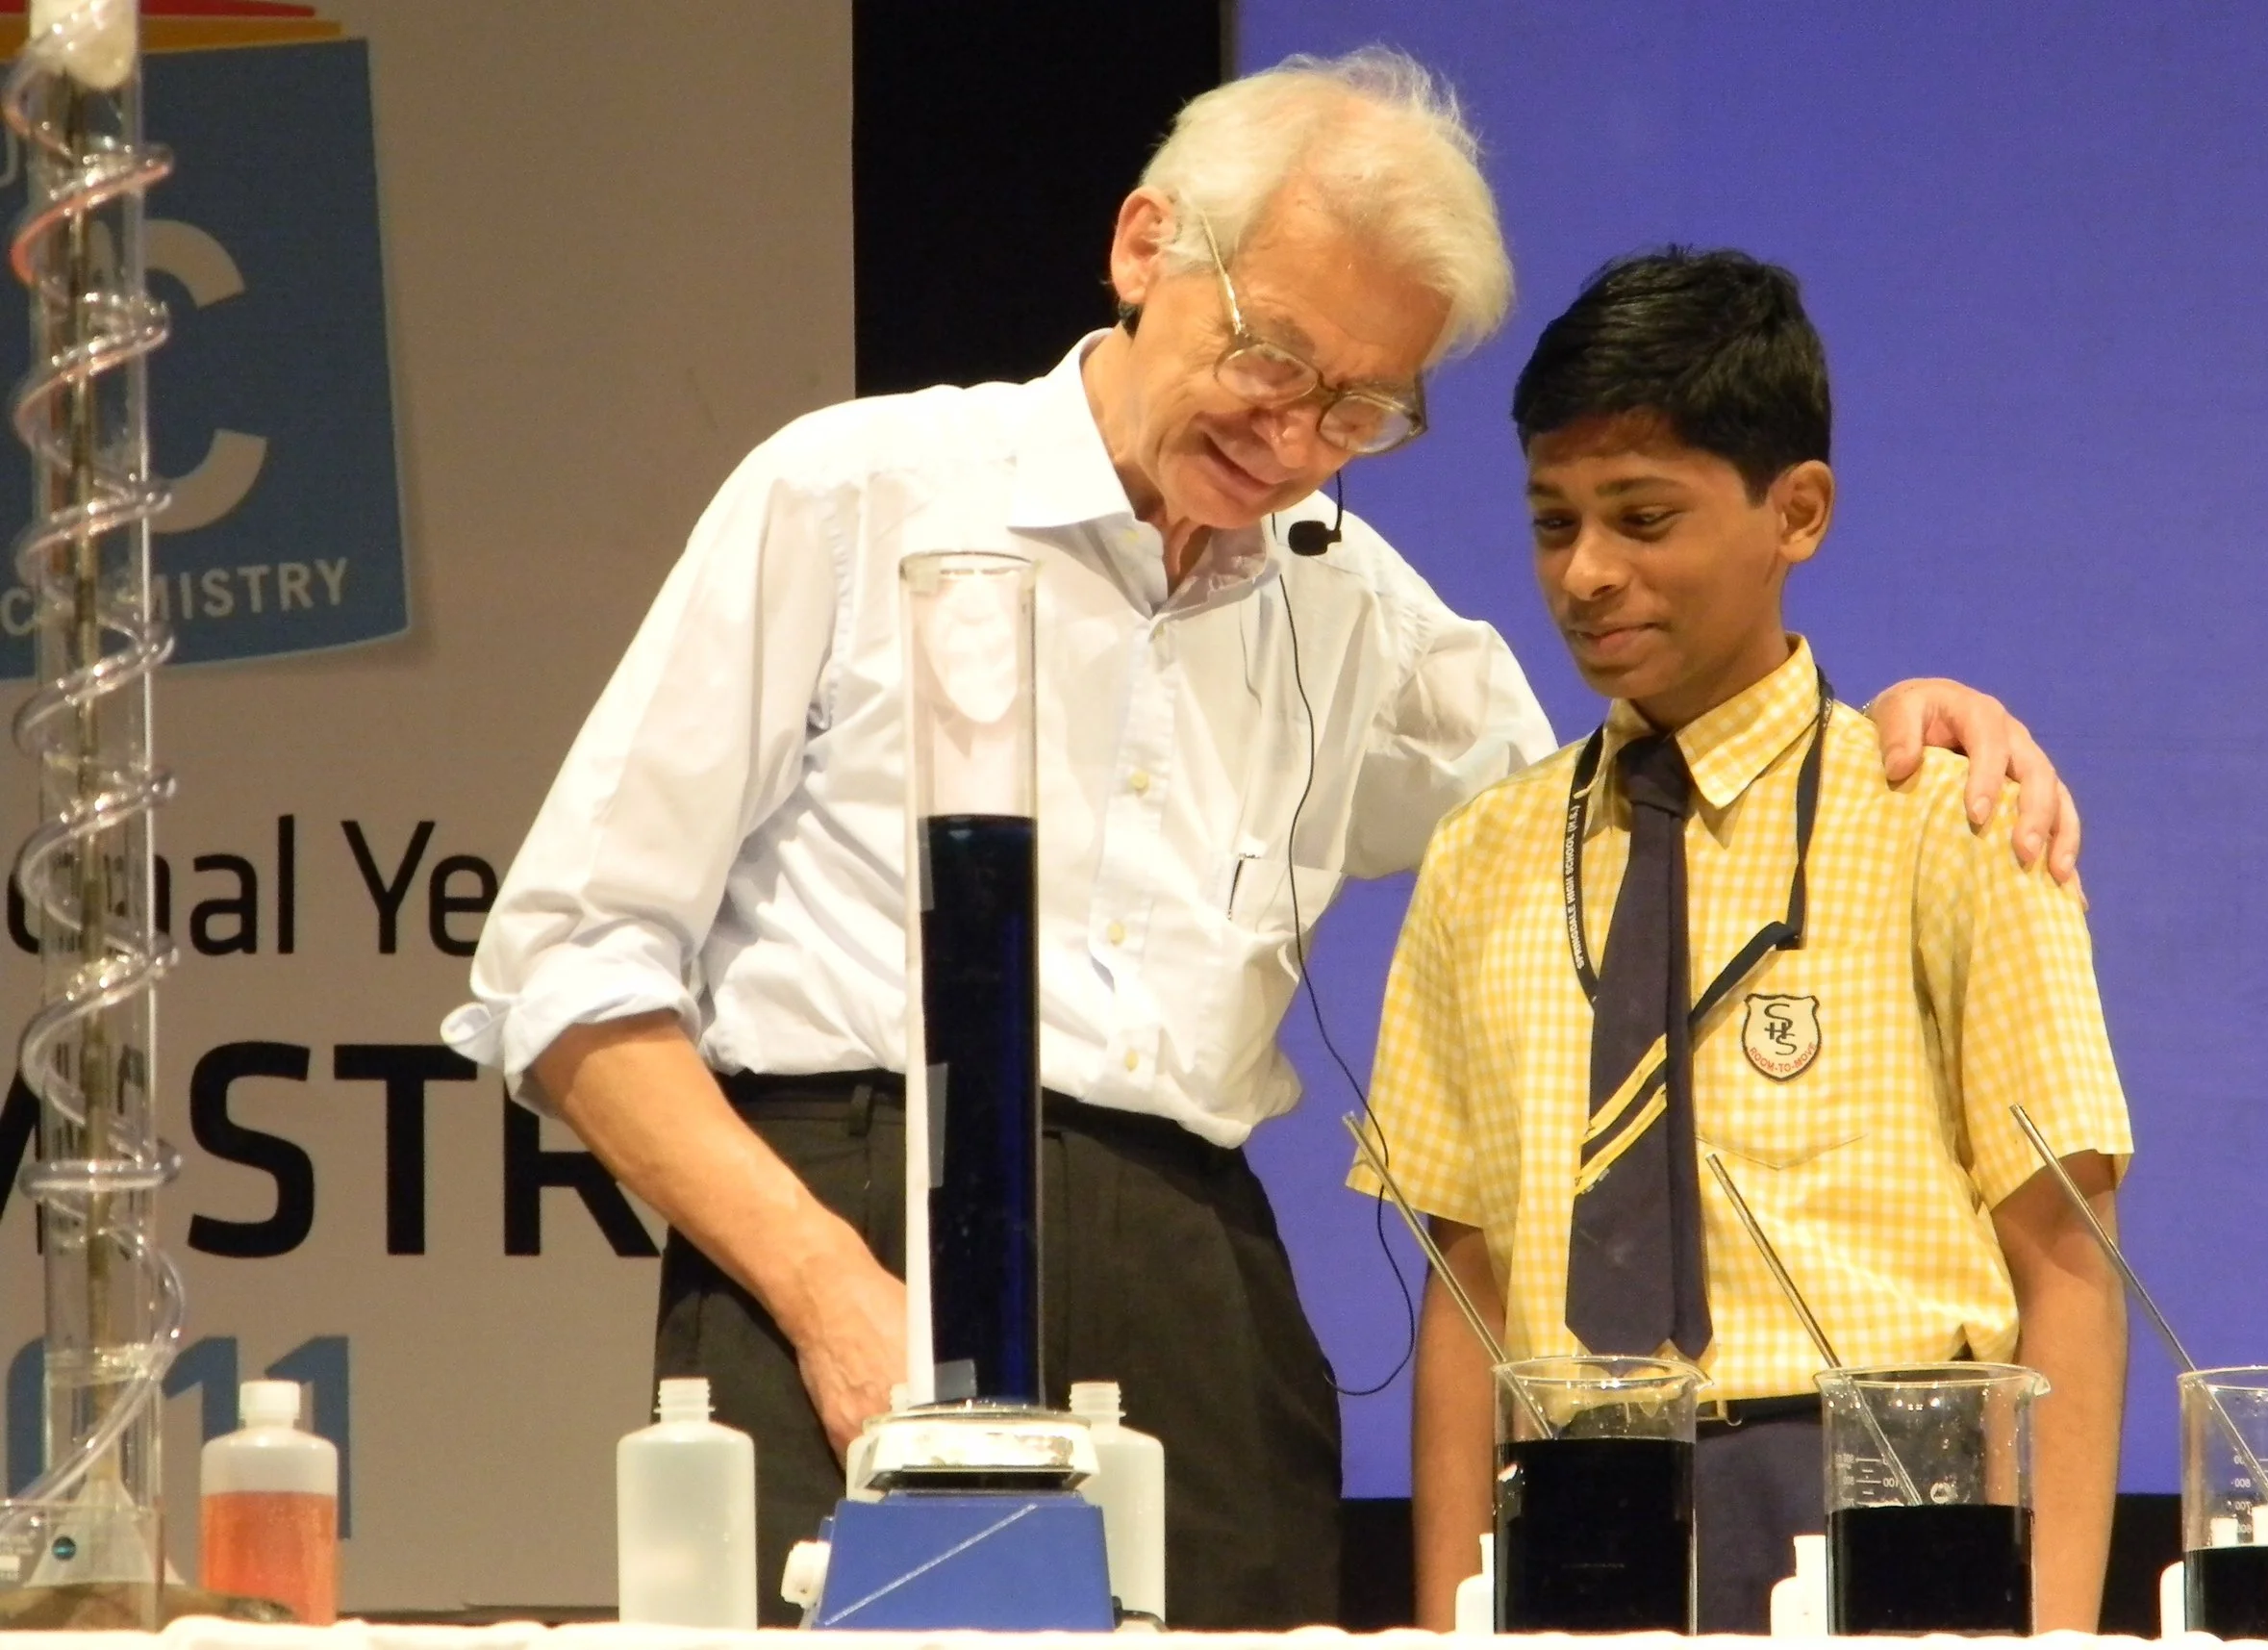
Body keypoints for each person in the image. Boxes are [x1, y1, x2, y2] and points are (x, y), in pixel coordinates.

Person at [445, 54, 2084, 1630]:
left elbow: (1622, 807)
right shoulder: (854, 493)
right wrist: (825, 1283)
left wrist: (1889, 714)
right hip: (857, 1212)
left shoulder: (1352, 607)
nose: (1298, 442)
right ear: (1145, 244)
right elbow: (568, 967)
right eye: (1277, 359)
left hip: (1192, 1271)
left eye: (1366, 408)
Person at [1360, 246, 2132, 1634]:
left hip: (1887, 1486)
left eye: (1644, 517)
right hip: (1577, 1490)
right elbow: (1464, 1293)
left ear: (1800, 511)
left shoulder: (1946, 819)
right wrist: (1443, 1621)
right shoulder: (1483, 855)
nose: (1587, 573)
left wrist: (2058, 1631)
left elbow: (2065, 1258)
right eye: (1553, 522)